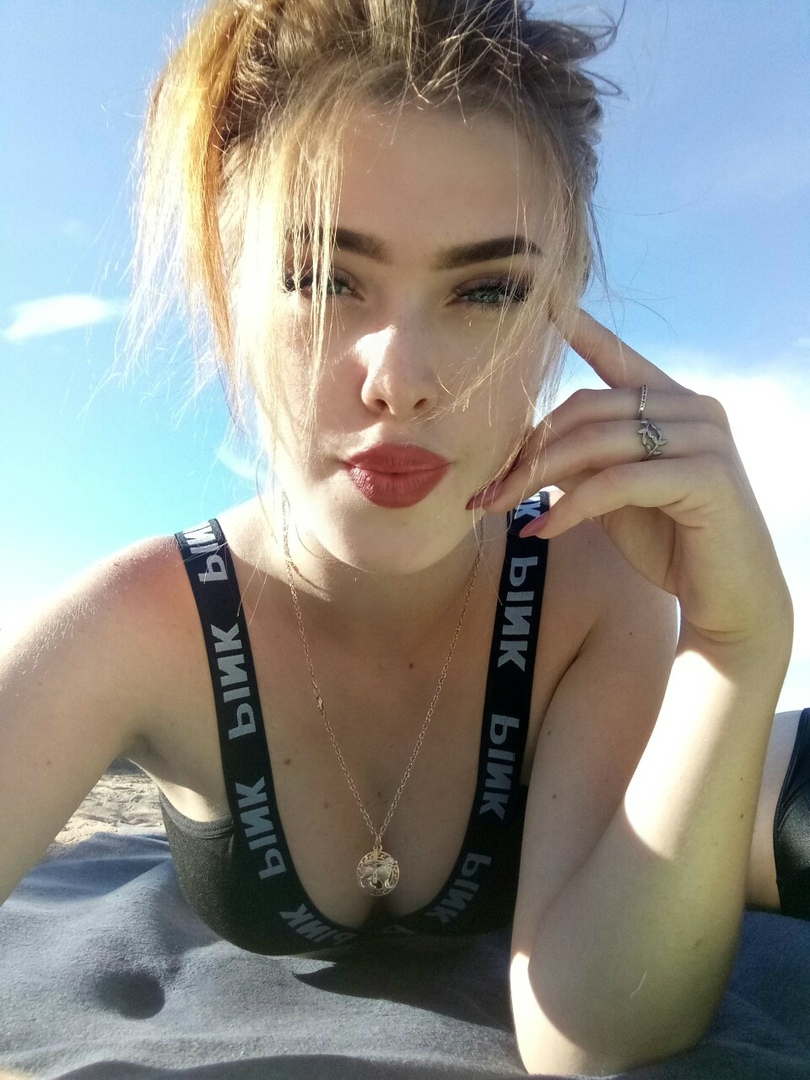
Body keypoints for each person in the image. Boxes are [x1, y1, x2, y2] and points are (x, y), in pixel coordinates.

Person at [0, 0, 805, 1075]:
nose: (403, 381)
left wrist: (737, 645)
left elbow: (591, 1038)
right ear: (228, 294)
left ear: (558, 317)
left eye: (487, 290)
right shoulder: (140, 622)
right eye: (324, 277)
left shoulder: (593, 576)